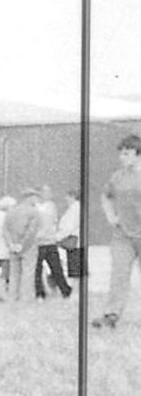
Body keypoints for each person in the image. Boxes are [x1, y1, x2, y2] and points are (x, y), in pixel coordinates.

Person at [94, 134, 141, 329]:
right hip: (123, 236)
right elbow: (106, 196)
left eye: (127, 153)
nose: (122, 157)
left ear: (138, 155)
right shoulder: (118, 176)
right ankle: (111, 315)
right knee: (119, 275)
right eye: (121, 153)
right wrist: (111, 216)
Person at [2, 190, 42, 303]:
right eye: (35, 197)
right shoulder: (34, 212)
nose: (36, 200)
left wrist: (11, 244)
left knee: (14, 273)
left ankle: (12, 297)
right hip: (28, 247)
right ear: (30, 197)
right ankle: (26, 298)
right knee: (28, 272)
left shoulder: (11, 211)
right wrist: (22, 245)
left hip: (13, 246)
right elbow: (31, 232)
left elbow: (5, 230)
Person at [33, 184, 71, 300]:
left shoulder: (50, 206)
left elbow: (50, 221)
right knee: (37, 270)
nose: (49, 194)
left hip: (49, 242)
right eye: (47, 192)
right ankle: (40, 293)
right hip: (39, 243)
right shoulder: (36, 206)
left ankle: (65, 290)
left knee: (56, 268)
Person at [0, 195, 15, 298]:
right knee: (6, 271)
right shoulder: (5, 217)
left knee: (4, 270)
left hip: (0, 247)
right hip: (6, 248)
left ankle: (2, 290)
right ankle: (3, 292)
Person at [58, 188, 84, 280]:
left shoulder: (75, 209)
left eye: (67, 196)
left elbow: (69, 227)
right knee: (76, 270)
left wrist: (57, 238)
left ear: (72, 197)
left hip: (74, 242)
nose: (65, 199)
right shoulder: (76, 208)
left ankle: (76, 291)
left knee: (75, 272)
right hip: (76, 242)